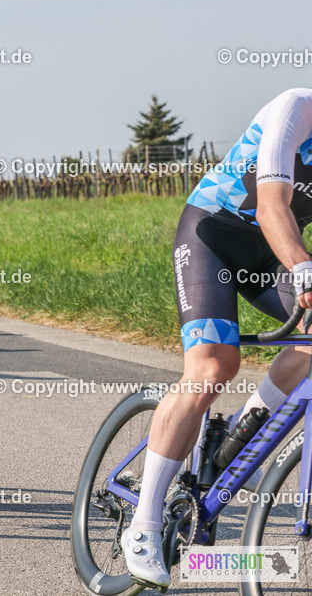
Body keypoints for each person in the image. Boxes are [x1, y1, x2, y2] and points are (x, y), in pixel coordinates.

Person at [122, 88, 312, 589]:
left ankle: (238, 440)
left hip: (271, 259)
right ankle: (143, 522)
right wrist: (303, 268)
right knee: (211, 369)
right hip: (212, 237)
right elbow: (272, 208)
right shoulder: (297, 109)